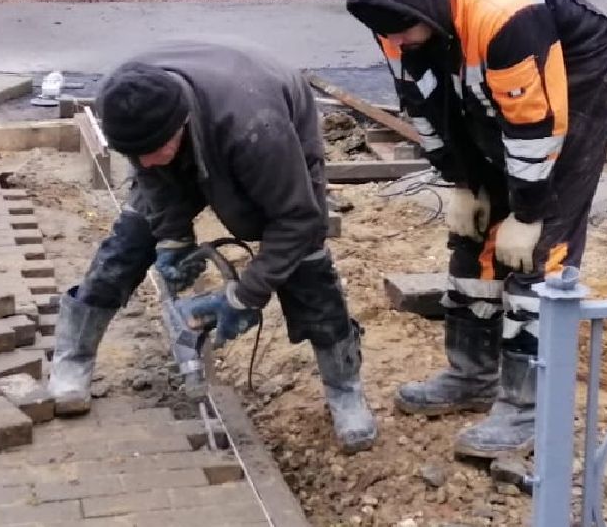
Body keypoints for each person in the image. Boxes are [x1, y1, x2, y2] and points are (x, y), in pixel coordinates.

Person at [344, 0, 607, 459]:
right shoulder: (396, 20)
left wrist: (528, 211)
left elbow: (535, 124)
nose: (397, 43)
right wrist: (461, 182)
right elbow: (424, 105)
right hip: (489, 86)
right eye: (390, 36)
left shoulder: (505, 13)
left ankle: (528, 406)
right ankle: (472, 374)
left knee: (539, 248)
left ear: (428, 6)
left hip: (578, 84)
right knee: (475, 231)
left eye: (404, 33)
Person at [47, 43, 378, 452]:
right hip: (207, 109)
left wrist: (245, 295)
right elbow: (150, 175)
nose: (143, 161)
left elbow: (298, 220)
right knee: (129, 240)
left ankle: (345, 388)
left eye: (152, 150)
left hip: (267, 112)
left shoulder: (259, 130)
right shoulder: (126, 103)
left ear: (181, 123)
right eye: (135, 153)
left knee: (306, 264)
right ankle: (73, 358)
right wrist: (172, 236)